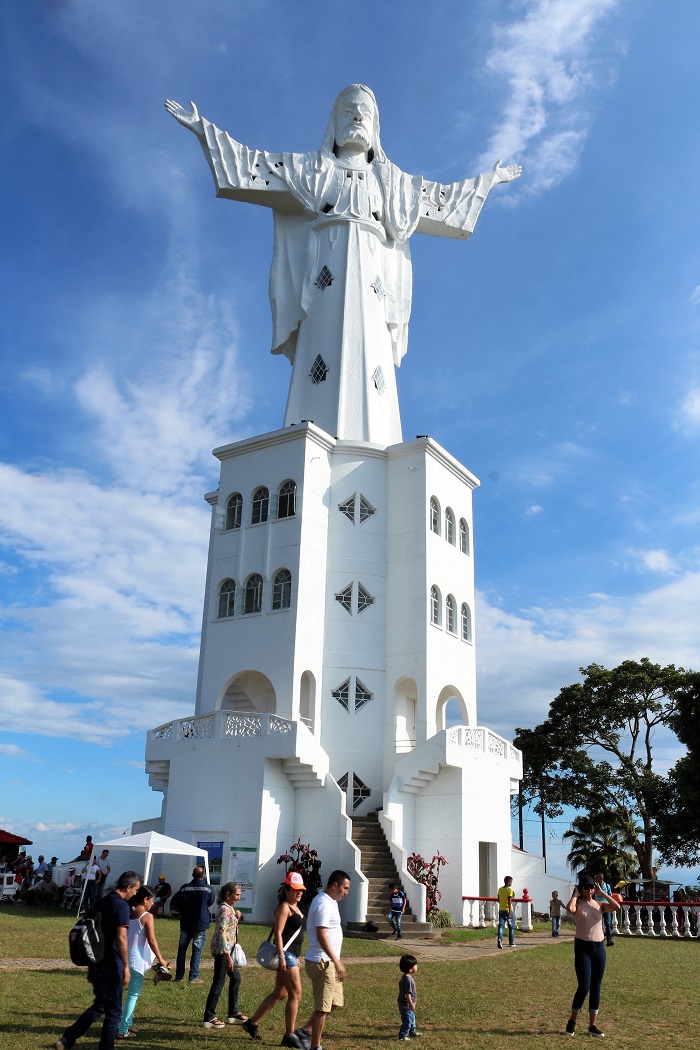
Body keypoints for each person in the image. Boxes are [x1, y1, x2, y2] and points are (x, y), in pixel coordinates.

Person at [164, 87, 521, 446]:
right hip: (324, 270)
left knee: (372, 362)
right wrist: (203, 130)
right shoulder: (312, 170)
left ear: (375, 127)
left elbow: (444, 200)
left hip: (373, 275)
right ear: (334, 123)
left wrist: (488, 181)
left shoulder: (394, 183)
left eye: (365, 112)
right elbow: (251, 165)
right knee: (321, 353)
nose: (357, 116)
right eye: (348, 110)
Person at [55, 870, 141, 1050]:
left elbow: (91, 933)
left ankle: (67, 1039)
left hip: (97, 961)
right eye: (135, 890)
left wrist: (90, 966)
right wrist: (126, 966)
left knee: (100, 1005)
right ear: (128, 887)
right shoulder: (121, 906)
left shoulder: (103, 901)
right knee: (114, 1012)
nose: (135, 894)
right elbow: (121, 937)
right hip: (112, 963)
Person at [242, 871, 306, 1046]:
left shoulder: (296, 907)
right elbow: (278, 933)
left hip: (292, 956)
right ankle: (289, 1036)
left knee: (280, 993)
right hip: (286, 955)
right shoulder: (285, 907)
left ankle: (252, 1023)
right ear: (287, 889)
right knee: (296, 994)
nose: (299, 893)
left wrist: (296, 957)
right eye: (295, 889)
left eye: (301, 890)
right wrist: (283, 956)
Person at [295, 869, 351, 1050]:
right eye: (345, 888)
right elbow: (321, 934)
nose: (346, 892)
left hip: (330, 962)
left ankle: (304, 1032)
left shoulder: (331, 902)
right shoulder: (323, 903)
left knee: (335, 1002)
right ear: (335, 885)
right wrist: (337, 961)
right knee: (322, 1007)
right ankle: (315, 1046)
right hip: (322, 961)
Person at [564, 873, 620, 1038]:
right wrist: (575, 895)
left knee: (596, 986)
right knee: (584, 986)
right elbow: (570, 909)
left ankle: (592, 1025)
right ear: (581, 889)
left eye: (591, 887)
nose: (590, 890)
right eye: (586, 887)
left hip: (599, 948)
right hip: (583, 948)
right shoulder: (578, 904)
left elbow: (616, 907)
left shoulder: (599, 904)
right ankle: (572, 1020)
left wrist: (601, 893)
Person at [117, 885, 170, 1040]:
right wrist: (161, 959)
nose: (153, 904)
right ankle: (123, 1030)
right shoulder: (147, 916)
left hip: (125, 958)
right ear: (145, 900)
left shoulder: (129, 913)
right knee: (133, 995)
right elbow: (152, 940)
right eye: (152, 901)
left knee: (126, 995)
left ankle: (127, 1023)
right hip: (137, 961)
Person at [203, 881, 248, 1029]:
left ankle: (233, 1012)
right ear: (228, 894)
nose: (238, 897)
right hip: (223, 951)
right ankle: (209, 1017)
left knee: (236, 977)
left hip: (226, 951)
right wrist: (227, 956)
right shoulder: (224, 909)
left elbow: (229, 927)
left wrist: (236, 916)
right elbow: (222, 932)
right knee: (218, 983)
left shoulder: (228, 908)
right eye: (237, 894)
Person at [171, 865, 216, 983]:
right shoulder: (208, 889)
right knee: (196, 951)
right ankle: (193, 976)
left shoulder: (184, 888)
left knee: (182, 950)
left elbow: (178, 901)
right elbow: (210, 902)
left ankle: (179, 976)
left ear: (192, 875)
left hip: (186, 923)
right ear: (202, 876)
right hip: (200, 924)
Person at [397, 954, 420, 1041]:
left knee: (412, 1019)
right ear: (410, 969)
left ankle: (412, 1032)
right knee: (407, 1021)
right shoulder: (408, 980)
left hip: (406, 1005)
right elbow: (407, 994)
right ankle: (402, 1036)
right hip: (406, 1005)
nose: (417, 967)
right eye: (415, 965)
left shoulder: (405, 977)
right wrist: (411, 1004)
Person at [594, 872, 614, 946]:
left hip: (606, 907)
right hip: (597, 907)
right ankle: (600, 938)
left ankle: (609, 939)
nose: (596, 879)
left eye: (597, 878)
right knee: (597, 924)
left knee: (607, 923)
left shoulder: (607, 886)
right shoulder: (594, 887)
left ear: (601, 878)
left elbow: (610, 896)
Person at [497, 875, 515, 948]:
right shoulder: (509, 890)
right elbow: (509, 901)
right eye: (511, 882)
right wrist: (510, 911)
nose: (511, 883)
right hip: (508, 909)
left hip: (501, 909)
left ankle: (499, 939)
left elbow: (498, 900)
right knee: (511, 926)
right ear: (508, 882)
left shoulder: (500, 889)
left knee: (501, 926)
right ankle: (511, 942)